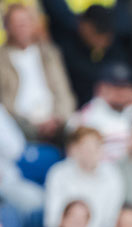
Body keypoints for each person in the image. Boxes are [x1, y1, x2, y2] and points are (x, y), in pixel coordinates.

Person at [0, 3, 75, 142]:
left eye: (25, 22)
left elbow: (63, 91)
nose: (21, 28)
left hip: (55, 121)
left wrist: (58, 118)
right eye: (16, 24)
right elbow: (5, 103)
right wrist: (29, 124)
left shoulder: (49, 53)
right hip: (19, 125)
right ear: (7, 27)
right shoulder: (2, 59)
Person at [43, 126, 125, 227]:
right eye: (85, 147)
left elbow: (110, 221)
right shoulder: (58, 173)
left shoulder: (113, 175)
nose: (91, 152)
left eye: (96, 147)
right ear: (73, 149)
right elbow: (52, 220)